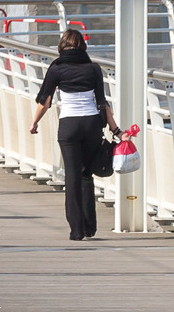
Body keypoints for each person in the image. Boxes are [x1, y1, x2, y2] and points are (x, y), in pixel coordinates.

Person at [29, 25, 118, 241]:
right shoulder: (94, 69)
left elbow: (45, 101)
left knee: (72, 176)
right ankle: (90, 226)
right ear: (83, 47)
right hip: (91, 126)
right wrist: (116, 129)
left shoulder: (57, 68)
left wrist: (34, 122)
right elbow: (102, 102)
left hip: (69, 126)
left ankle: (76, 230)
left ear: (62, 46)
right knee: (86, 174)